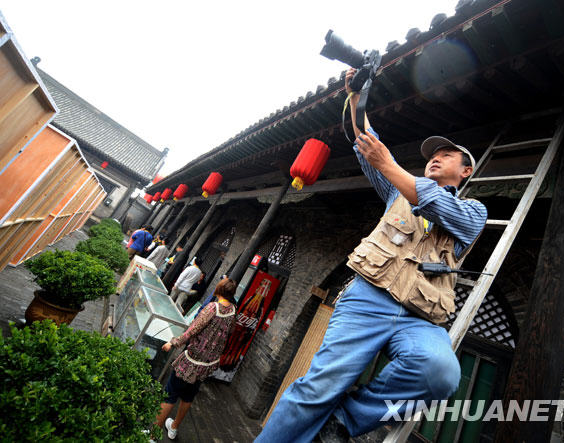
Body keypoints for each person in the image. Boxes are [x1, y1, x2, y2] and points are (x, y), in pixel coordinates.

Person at [256, 69, 487, 442]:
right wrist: (355, 96)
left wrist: (388, 164)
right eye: (431, 155)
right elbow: (368, 142)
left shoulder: (474, 212)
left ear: (465, 171)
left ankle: (345, 421)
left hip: (420, 317)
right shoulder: (397, 192)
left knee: (441, 372)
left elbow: (427, 198)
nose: (435, 159)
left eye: (446, 156)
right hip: (367, 299)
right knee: (316, 389)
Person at [155, 278, 237, 439]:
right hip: (207, 364)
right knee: (188, 396)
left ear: (219, 289)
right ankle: (173, 427)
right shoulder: (233, 311)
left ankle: (152, 434)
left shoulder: (212, 307)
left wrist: (173, 343)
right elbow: (230, 332)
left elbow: (193, 329)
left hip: (192, 360)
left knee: (170, 394)